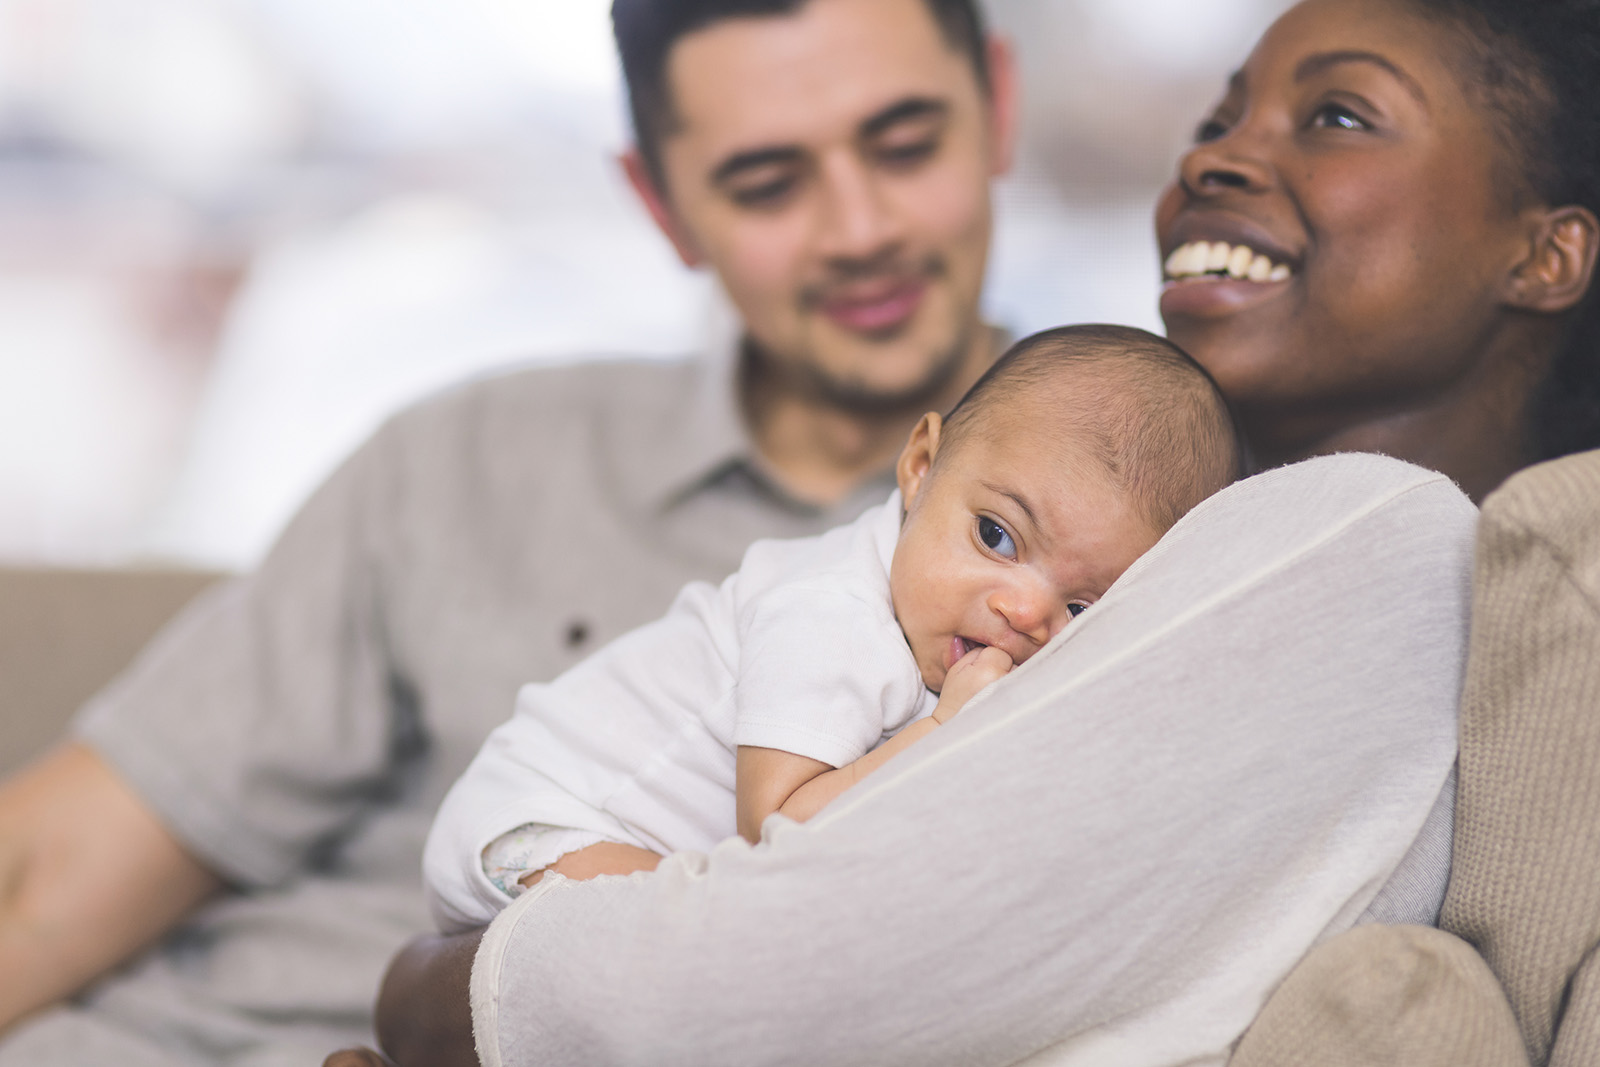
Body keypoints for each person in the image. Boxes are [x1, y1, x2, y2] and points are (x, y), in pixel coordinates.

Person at [349, 0, 1600, 1064]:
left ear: (1547, 252)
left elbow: (755, 971)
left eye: (1333, 116)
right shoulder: (1218, 541)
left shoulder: (1371, 540)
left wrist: (433, 990)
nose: (1210, 158)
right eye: (1215, 118)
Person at [0, 0, 1018, 1062]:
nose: (860, 229)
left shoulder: (1130, 550)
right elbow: (45, 873)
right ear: (659, 205)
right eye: (766, 183)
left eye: (904, 145)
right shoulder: (469, 458)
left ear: (998, 108)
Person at [423, 325, 1241, 933]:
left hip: (632, 853)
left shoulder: (943, 633)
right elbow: (783, 828)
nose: (1026, 612)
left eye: (1083, 609)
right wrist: (952, 728)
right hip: (540, 823)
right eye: (996, 535)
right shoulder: (833, 612)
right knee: (696, 960)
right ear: (921, 467)